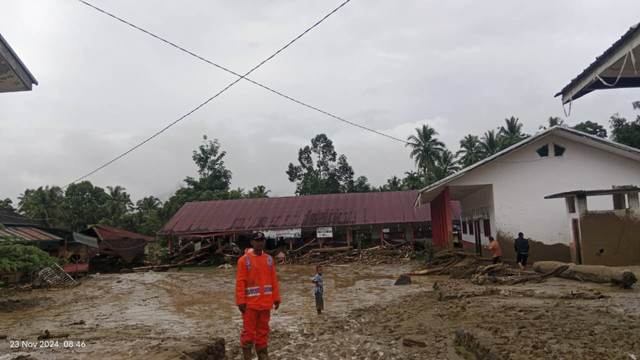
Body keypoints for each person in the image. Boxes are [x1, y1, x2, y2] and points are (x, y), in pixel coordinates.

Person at [236, 232, 281, 360]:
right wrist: (240, 301)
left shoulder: (269, 259)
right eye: (258, 240)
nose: (261, 242)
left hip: (265, 303)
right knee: (248, 331)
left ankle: (263, 355)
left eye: (262, 240)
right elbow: (240, 282)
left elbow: (273, 280)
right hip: (250, 304)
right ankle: (247, 356)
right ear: (252, 242)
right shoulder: (244, 260)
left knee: (263, 330)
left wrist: (276, 298)